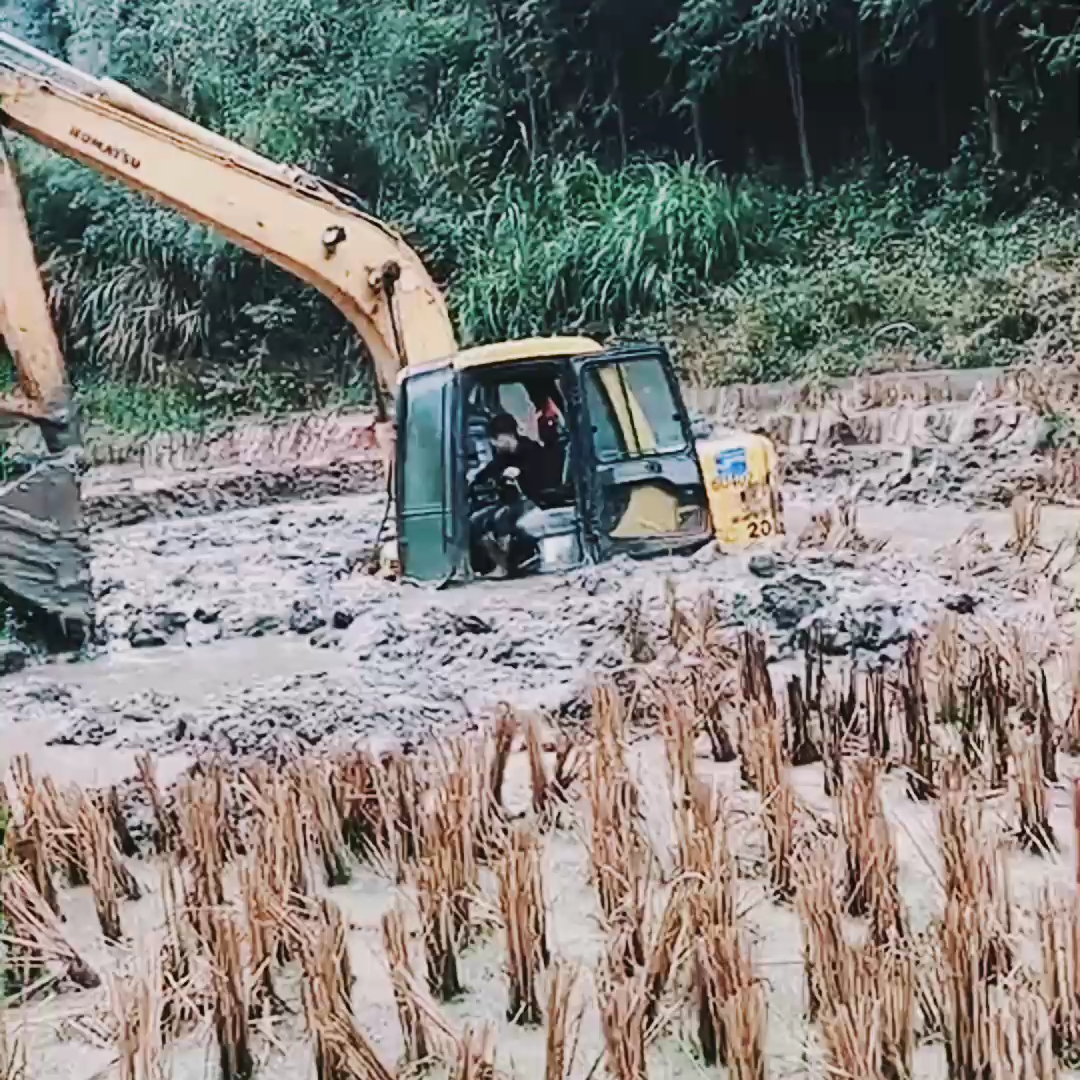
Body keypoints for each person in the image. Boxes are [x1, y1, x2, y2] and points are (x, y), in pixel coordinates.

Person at [468, 412, 548, 575]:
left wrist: (521, 472)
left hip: (533, 500)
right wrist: (473, 479)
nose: (494, 445)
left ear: (506, 436)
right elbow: (490, 470)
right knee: (476, 521)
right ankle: (493, 563)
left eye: (495, 440)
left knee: (501, 518)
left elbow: (544, 477)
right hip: (509, 502)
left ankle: (504, 566)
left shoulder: (533, 451)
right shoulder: (502, 457)